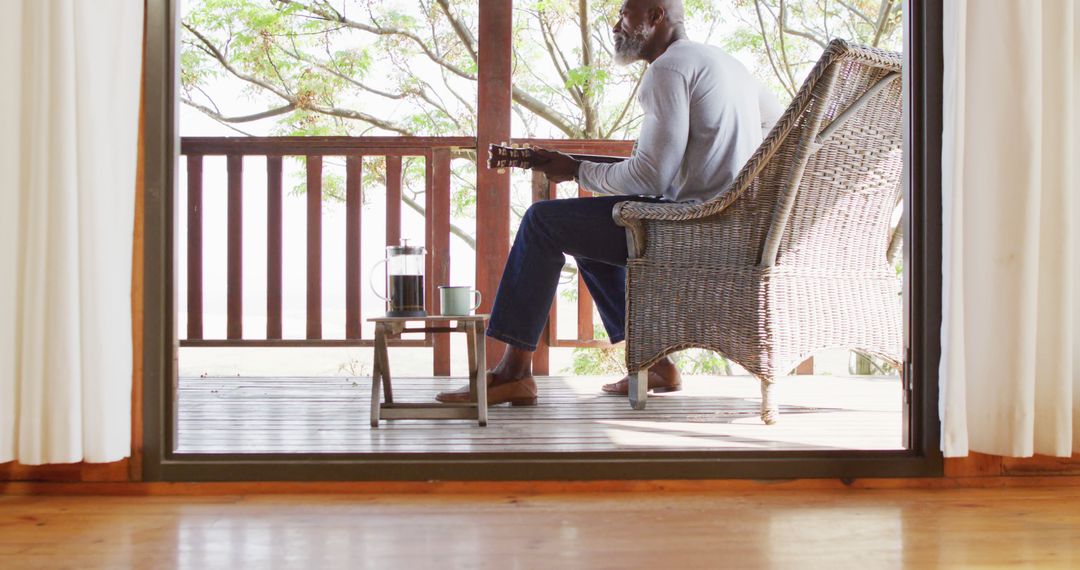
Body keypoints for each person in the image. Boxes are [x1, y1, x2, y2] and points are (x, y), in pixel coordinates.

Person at [436, 0, 783, 406]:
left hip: (688, 229)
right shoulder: (729, 66)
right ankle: (654, 361)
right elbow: (771, 133)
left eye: (624, 13)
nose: (616, 24)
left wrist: (577, 170)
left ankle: (514, 371)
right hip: (730, 226)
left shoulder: (668, 69)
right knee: (584, 231)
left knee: (542, 222)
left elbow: (650, 177)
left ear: (655, 17)